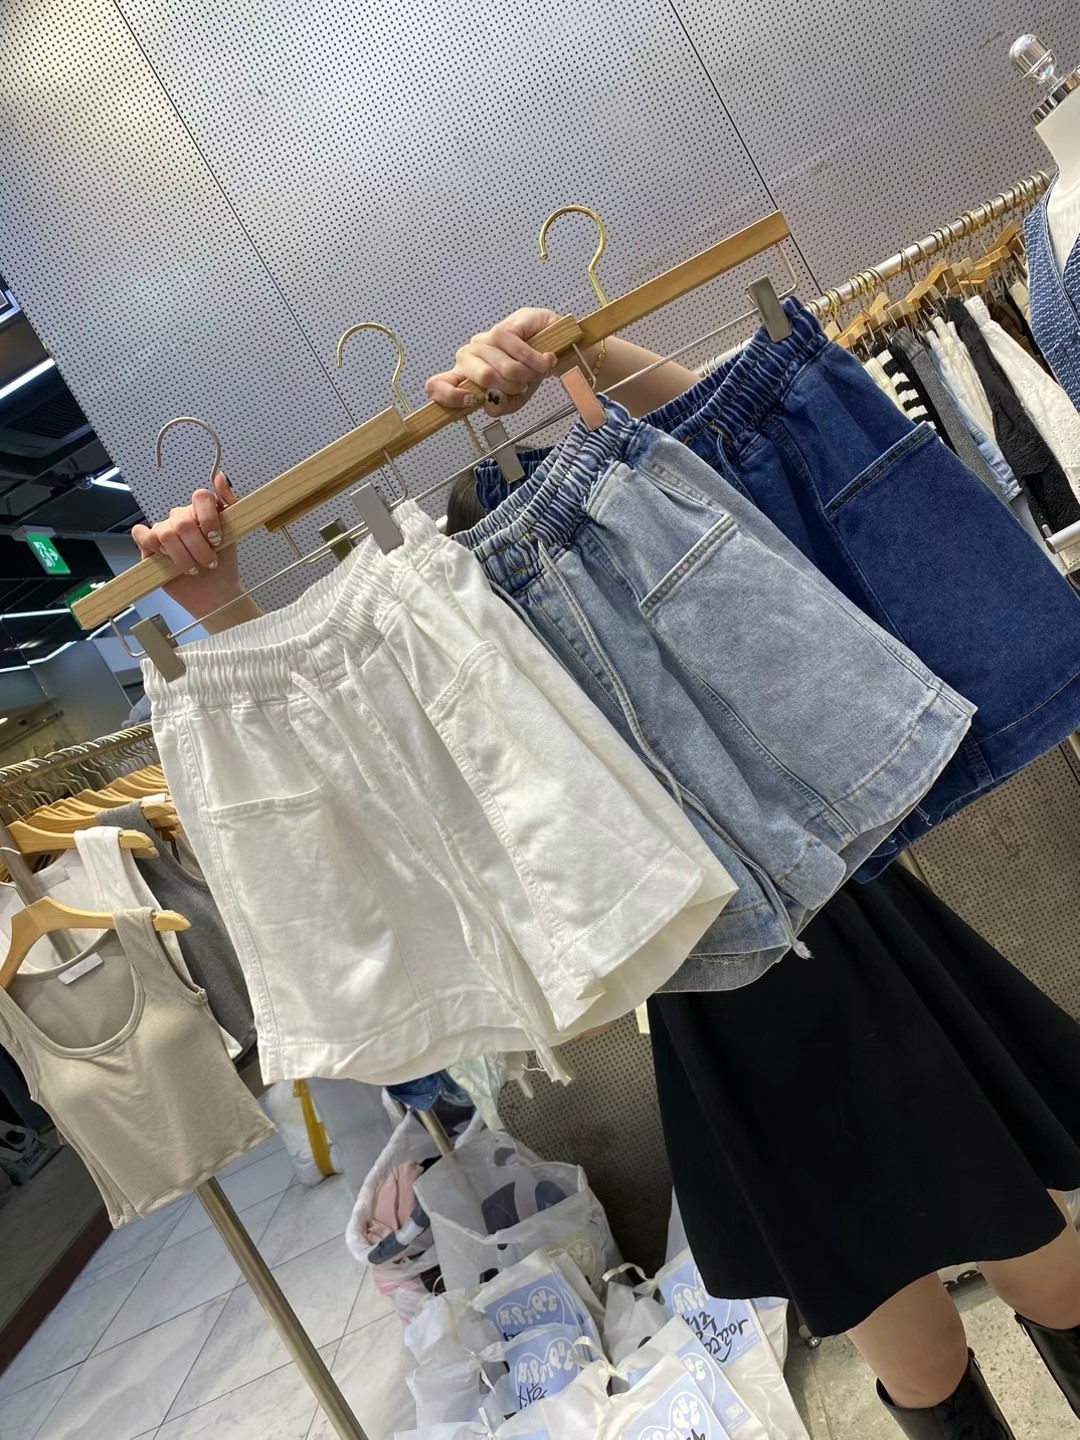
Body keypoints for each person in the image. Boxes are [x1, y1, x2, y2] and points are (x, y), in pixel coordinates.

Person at [134, 309, 1080, 1438]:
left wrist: (579, 356)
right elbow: (353, 768)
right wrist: (223, 608)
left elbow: (736, 448)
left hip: (854, 925)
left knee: (1052, 1273)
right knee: (918, 1359)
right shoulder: (428, 628)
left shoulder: (601, 511)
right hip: (716, 1005)